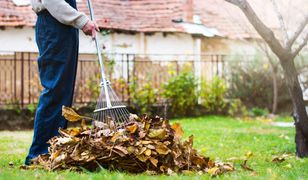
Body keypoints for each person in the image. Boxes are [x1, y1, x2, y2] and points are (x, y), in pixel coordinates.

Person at [25, 0, 99, 165]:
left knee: (63, 92)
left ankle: (54, 150)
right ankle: (39, 154)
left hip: (63, 27)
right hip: (53, 24)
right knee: (55, 89)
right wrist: (82, 20)